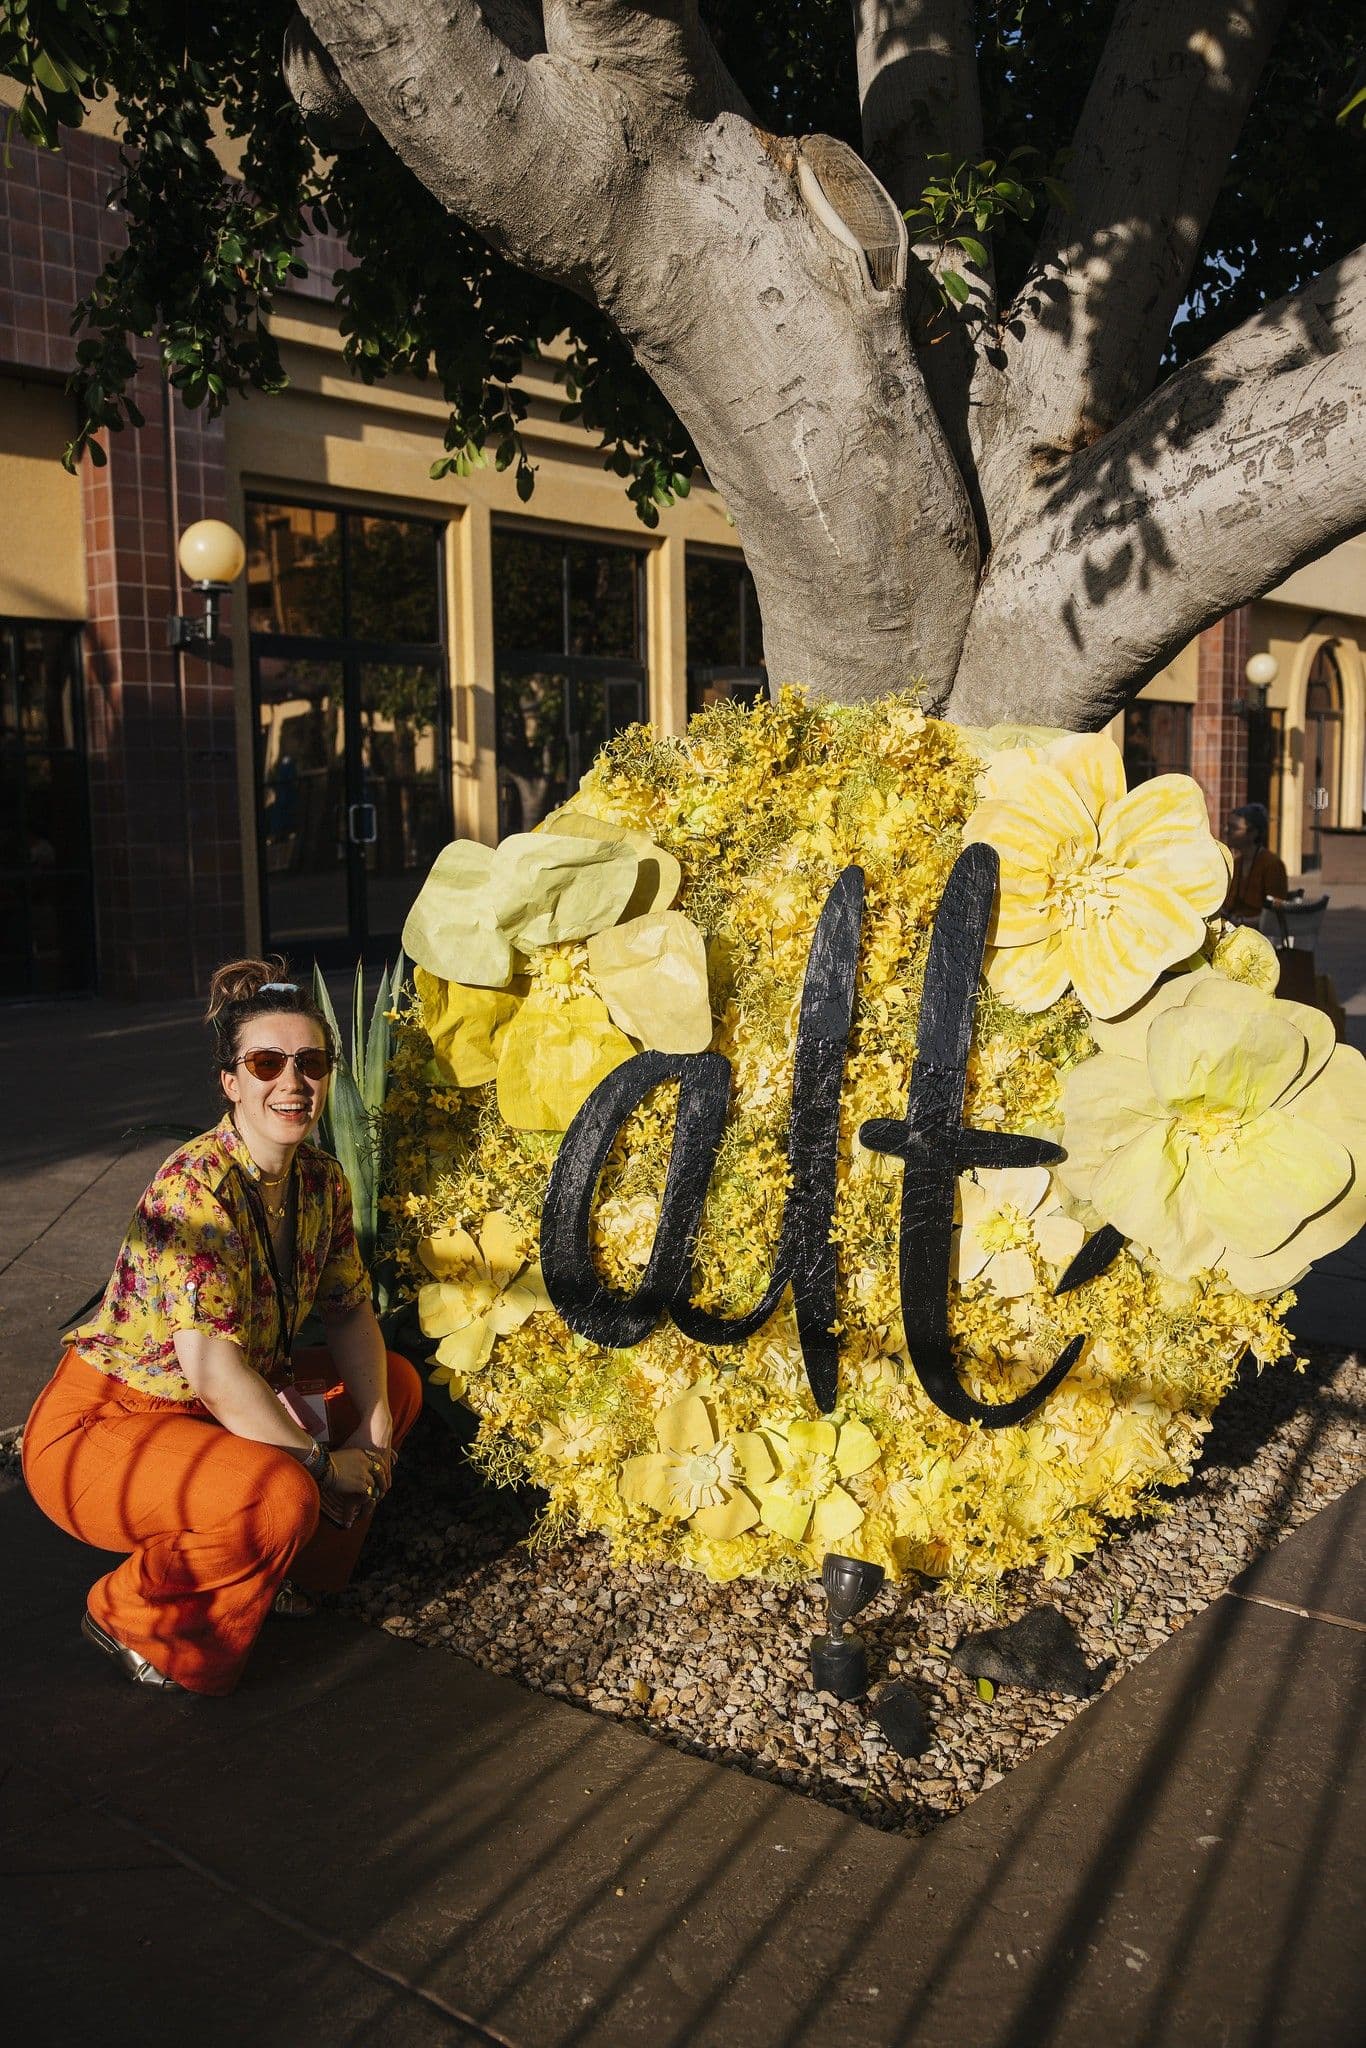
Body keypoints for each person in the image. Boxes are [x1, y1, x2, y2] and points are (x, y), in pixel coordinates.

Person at [21, 958, 423, 1696]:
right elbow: (212, 1370)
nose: (292, 1081)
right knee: (279, 1494)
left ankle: (293, 1578)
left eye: (311, 1062)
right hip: (107, 1424)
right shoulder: (195, 1186)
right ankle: (130, 1612)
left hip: (210, 1412)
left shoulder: (321, 1181)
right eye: (267, 1062)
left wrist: (369, 1433)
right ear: (231, 1082)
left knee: (390, 1385)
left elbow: (348, 1311)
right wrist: (324, 1464)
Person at [1222, 802, 1289, 926]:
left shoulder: (1272, 864)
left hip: (1260, 935)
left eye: (1234, 828)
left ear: (1253, 833)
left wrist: (1241, 923)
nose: (1226, 831)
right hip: (1236, 927)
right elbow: (1228, 905)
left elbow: (1276, 914)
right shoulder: (1236, 863)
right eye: (1227, 826)